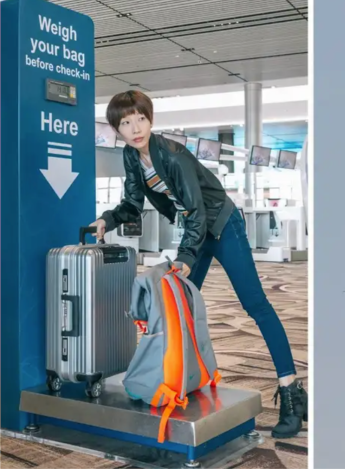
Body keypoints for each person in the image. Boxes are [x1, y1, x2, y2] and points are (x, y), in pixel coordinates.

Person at [91, 90, 307, 438]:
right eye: (126, 123)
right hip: (197, 230)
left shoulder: (173, 155)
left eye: (140, 119)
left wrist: (187, 257)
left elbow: (197, 210)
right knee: (184, 309)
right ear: (116, 129)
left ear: (151, 119)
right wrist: (107, 220)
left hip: (222, 225)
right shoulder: (133, 159)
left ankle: (291, 390)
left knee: (256, 305)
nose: (135, 128)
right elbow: (131, 204)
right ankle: (185, 378)